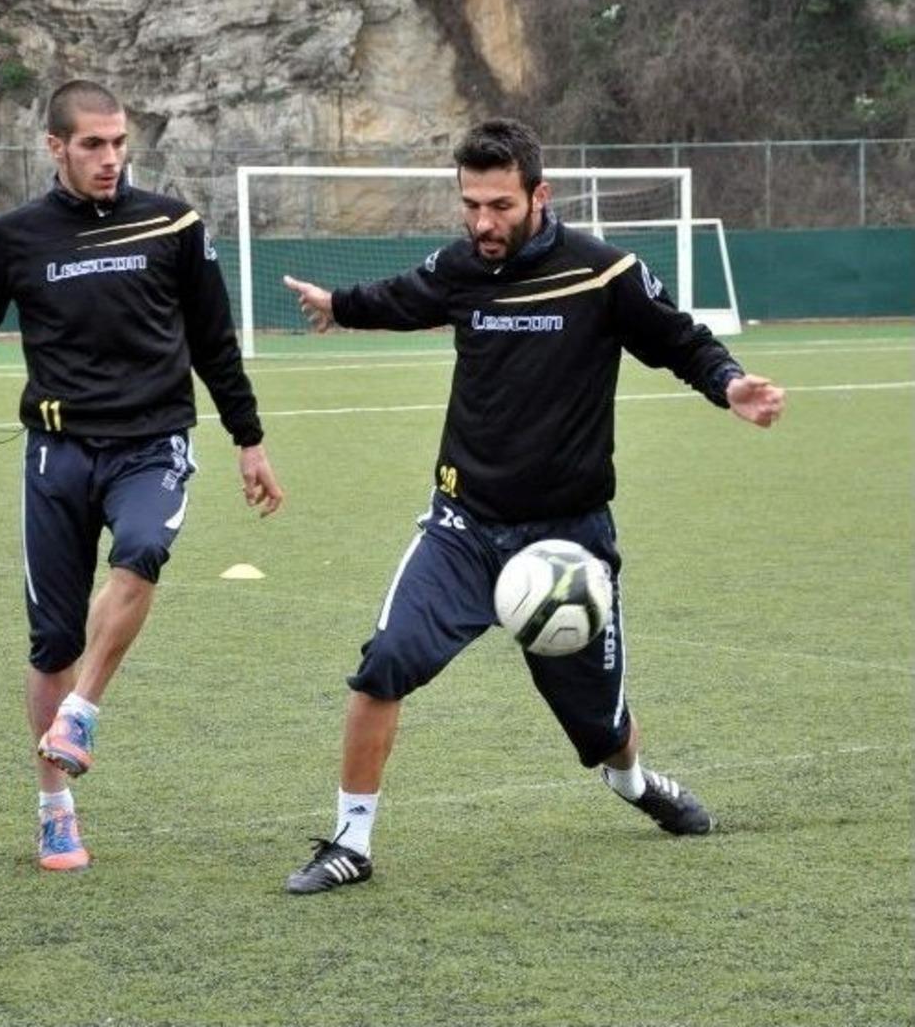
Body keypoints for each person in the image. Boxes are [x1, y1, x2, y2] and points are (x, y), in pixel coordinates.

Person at [280, 119, 785, 894]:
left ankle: (633, 781)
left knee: (600, 730)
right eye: (471, 205)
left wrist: (729, 383)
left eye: (501, 206)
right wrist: (339, 303)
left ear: (539, 195)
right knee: (384, 664)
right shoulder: (461, 267)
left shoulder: (603, 273)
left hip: (567, 548)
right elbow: (402, 297)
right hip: (463, 527)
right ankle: (351, 842)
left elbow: (681, 341)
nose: (484, 222)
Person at [0, 80, 284, 872]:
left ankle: (83, 710)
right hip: (57, 456)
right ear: (55, 147)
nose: (110, 158)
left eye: (119, 142)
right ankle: (54, 810)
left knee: (143, 550)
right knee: (51, 643)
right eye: (92, 144)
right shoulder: (15, 238)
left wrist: (250, 438)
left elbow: (213, 339)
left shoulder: (173, 223)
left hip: (152, 444)